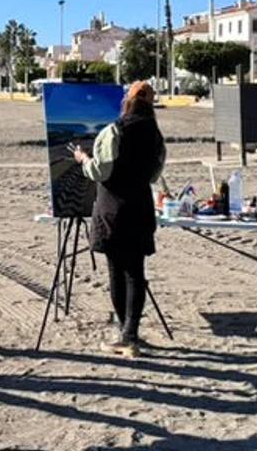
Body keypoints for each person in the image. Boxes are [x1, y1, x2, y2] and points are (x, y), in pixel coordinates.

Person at [72, 81, 166, 358]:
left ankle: (125, 335)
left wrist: (83, 160)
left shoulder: (114, 131)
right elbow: (153, 176)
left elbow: (101, 172)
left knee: (117, 272)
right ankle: (131, 332)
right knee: (136, 273)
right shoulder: (156, 136)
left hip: (113, 211)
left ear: (128, 101)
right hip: (140, 209)